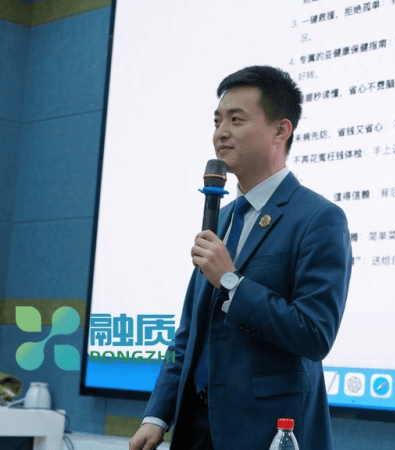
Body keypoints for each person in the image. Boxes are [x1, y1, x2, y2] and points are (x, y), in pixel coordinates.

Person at [129, 65, 352, 450]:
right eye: (217, 121)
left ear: (281, 131)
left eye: (236, 119)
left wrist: (232, 282)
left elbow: (315, 334)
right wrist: (157, 415)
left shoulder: (318, 218)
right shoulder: (222, 217)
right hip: (194, 426)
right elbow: (191, 331)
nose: (221, 132)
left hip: (265, 431)